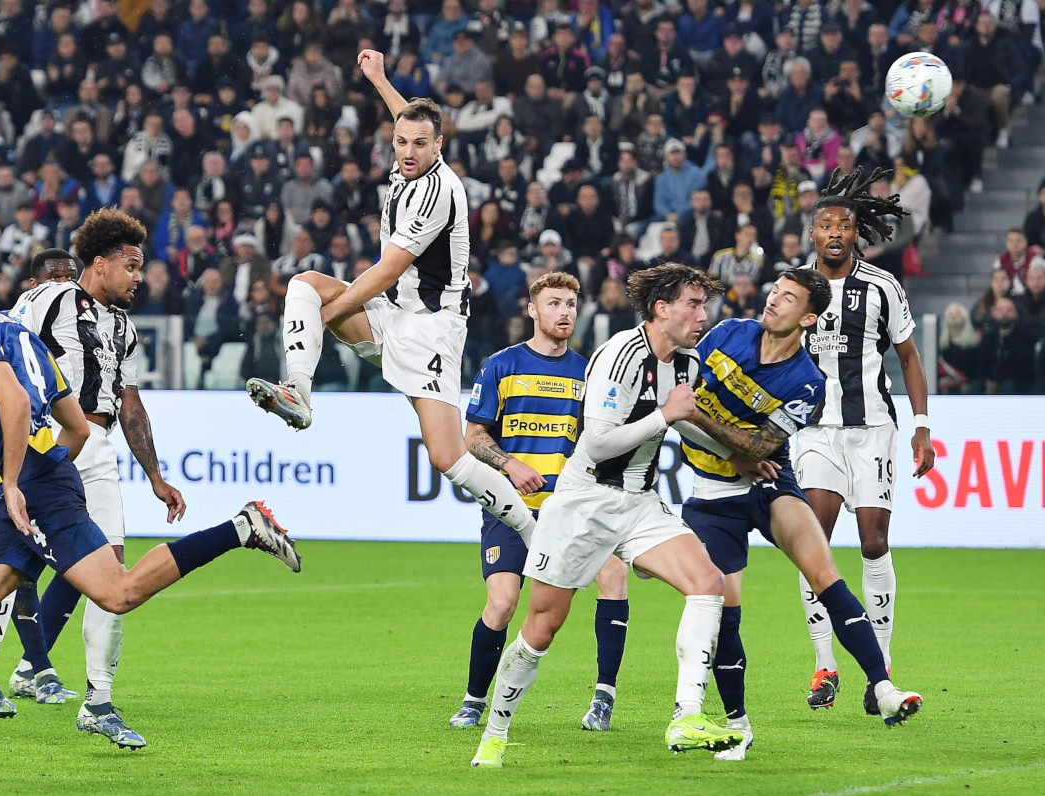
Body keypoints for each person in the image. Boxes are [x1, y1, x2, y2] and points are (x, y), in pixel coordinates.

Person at [0, 251, 300, 776]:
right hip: (48, 474)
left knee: (119, 591)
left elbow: (16, 404)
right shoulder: (20, 335)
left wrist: (21, 482)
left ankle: (242, 528)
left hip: (33, 487)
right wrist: (50, 465)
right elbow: (78, 425)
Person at [246, 49, 538, 546]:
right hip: (391, 313)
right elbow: (409, 120)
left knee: (448, 458)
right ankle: (298, 391)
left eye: (419, 144)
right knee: (304, 284)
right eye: (401, 142)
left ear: (439, 146)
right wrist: (380, 79)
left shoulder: (438, 190)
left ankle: (537, 534)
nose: (407, 151)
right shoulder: (410, 160)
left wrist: (328, 316)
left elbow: (388, 269)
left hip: (431, 327)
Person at [470, 265, 743, 768]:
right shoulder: (621, 353)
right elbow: (597, 442)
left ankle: (686, 717)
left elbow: (686, 425)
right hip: (585, 501)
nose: (703, 315)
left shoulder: (686, 361)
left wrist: (738, 452)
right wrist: (667, 415)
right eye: (693, 304)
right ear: (662, 309)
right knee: (541, 627)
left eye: (704, 305)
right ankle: (495, 732)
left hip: (640, 502)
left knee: (709, 583)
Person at [679, 271, 924, 762]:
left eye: (788, 298)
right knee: (725, 608)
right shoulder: (728, 334)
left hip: (769, 482)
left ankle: (882, 687)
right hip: (711, 492)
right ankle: (737, 723)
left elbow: (761, 445)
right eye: (774, 291)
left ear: (809, 317)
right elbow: (677, 400)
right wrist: (714, 434)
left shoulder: (808, 382)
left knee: (825, 573)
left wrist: (698, 417)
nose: (773, 301)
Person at [4, 211, 191, 748]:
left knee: (112, 569)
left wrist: (154, 475)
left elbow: (130, 402)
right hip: (49, 441)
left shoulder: (125, 328)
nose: (138, 277)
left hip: (99, 445)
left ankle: (99, 700)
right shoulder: (49, 299)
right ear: (101, 262)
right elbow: (4, 348)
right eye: (130, 267)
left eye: (141, 267)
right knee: (10, 559)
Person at [450, 272, 630, 733]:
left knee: (614, 575)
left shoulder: (590, 373)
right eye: (553, 303)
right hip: (509, 508)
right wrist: (510, 466)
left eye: (570, 303)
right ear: (533, 311)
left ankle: (604, 698)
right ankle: (473, 701)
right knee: (504, 603)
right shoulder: (500, 366)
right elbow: (473, 436)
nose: (564, 311)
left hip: (570, 508)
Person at [795, 167, 936, 713]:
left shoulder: (882, 287)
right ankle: (824, 664)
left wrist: (923, 427)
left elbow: (908, 356)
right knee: (815, 545)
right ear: (813, 234)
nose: (834, 231)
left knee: (874, 541)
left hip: (874, 428)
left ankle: (880, 663)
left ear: (856, 233)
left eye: (844, 224)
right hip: (814, 431)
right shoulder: (794, 287)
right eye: (825, 224)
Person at [0, 250, 84, 721]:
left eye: (69, 276)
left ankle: (11, 672)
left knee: (38, 561)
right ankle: (33, 669)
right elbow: (12, 397)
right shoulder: (20, 316)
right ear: (34, 282)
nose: (63, 282)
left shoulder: (86, 317)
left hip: (39, 451)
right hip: (2, 454)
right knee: (23, 555)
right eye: (54, 276)